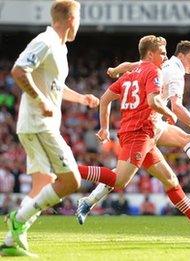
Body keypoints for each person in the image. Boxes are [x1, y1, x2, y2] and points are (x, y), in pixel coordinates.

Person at [76, 35, 190, 236]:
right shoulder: (154, 71)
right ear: (151, 54)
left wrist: (104, 127)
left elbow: (105, 98)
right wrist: (170, 113)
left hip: (145, 130)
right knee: (120, 180)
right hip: (139, 132)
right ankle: (71, 170)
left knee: (171, 179)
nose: (165, 56)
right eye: (163, 53)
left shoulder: (131, 73)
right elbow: (154, 101)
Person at [0, 0, 99, 257]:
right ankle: (16, 219)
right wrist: (40, 100)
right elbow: (20, 70)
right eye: (78, 19)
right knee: (71, 179)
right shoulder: (45, 41)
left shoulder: (60, 49)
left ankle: (12, 241)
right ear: (69, 20)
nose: (79, 24)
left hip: (39, 124)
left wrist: (81, 98)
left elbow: (56, 87)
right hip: (38, 124)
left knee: (42, 185)